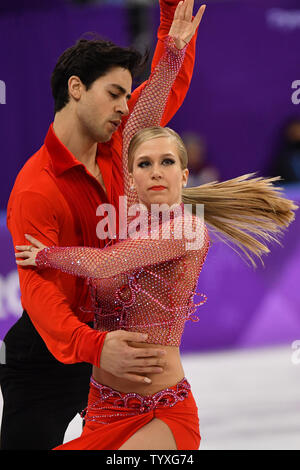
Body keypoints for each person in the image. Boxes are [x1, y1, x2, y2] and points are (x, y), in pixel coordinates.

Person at [0, 0, 207, 450]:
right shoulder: (36, 187)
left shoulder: (123, 149)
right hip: (52, 351)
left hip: (117, 359)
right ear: (76, 88)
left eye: (126, 97)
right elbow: (39, 293)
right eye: (114, 94)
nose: (123, 106)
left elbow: (163, 93)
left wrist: (174, 32)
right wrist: (93, 346)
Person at [15, 121, 297, 449]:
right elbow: (137, 119)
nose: (157, 171)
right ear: (130, 178)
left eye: (167, 162)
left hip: (159, 414)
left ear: (184, 174)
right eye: (145, 164)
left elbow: (103, 264)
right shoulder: (120, 225)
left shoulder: (188, 229)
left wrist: (45, 254)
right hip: (101, 411)